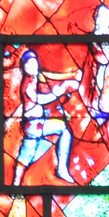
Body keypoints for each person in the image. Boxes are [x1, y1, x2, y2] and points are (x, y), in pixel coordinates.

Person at [13, 49, 76, 183]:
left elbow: (35, 100)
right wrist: (57, 93)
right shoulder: (28, 83)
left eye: (35, 64)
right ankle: (62, 169)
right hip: (34, 124)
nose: (33, 67)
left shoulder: (32, 80)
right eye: (29, 65)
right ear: (24, 67)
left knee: (27, 156)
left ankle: (15, 187)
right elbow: (37, 100)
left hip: (32, 126)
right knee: (63, 129)